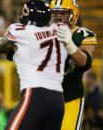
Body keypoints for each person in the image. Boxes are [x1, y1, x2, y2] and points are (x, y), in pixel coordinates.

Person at [0, 0, 68, 129]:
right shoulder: (61, 28)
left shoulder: (21, 31)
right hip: (58, 99)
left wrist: (11, 48)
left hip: (35, 94)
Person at [50, 0, 97, 130]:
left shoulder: (82, 34)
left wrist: (70, 45)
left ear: (74, 13)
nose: (58, 17)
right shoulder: (43, 32)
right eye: (55, 13)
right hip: (46, 96)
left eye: (63, 13)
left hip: (71, 97)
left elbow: (85, 63)